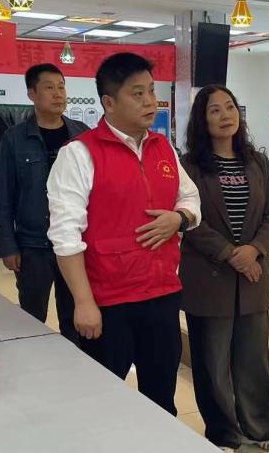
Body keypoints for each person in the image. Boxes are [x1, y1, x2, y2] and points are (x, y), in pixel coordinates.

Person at [47, 53, 201, 414]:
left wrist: (178, 219)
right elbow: (65, 236)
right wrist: (83, 302)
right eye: (137, 93)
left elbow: (191, 197)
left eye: (151, 91)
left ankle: (158, 448)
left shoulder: (163, 148)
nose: (150, 101)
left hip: (162, 294)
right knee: (103, 403)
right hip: (108, 302)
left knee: (161, 398)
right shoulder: (79, 154)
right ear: (109, 102)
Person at [180, 85, 269, 453]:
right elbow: (190, 221)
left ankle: (260, 426)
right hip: (209, 276)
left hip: (252, 275)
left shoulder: (256, 161)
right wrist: (230, 254)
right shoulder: (189, 166)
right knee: (212, 362)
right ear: (202, 119)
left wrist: (254, 250)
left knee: (254, 357)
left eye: (230, 107)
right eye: (215, 110)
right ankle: (223, 434)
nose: (225, 115)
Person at [0, 64, 89, 343]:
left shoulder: (82, 134)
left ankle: (74, 364)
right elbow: (5, 196)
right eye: (49, 87)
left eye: (61, 87)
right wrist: (8, 246)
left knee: (75, 317)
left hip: (74, 244)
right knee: (31, 318)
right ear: (32, 94)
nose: (58, 94)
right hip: (33, 245)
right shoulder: (15, 138)